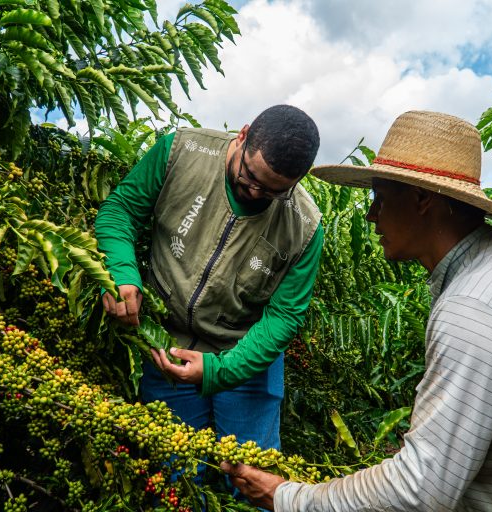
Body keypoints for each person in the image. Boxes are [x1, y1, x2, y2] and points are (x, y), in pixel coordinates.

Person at [220, 111, 492, 511]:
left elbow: (420, 491)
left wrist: (289, 498)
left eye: (381, 198)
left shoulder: (475, 310)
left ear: (422, 199)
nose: (371, 215)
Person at [95, 105, 323, 453]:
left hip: (246, 356)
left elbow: (284, 316)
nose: (255, 193)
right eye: (251, 176)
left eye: (273, 191)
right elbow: (121, 211)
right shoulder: (182, 151)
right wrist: (122, 272)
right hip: (169, 345)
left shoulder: (304, 226)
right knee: (176, 466)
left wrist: (222, 370)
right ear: (243, 136)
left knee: (250, 470)